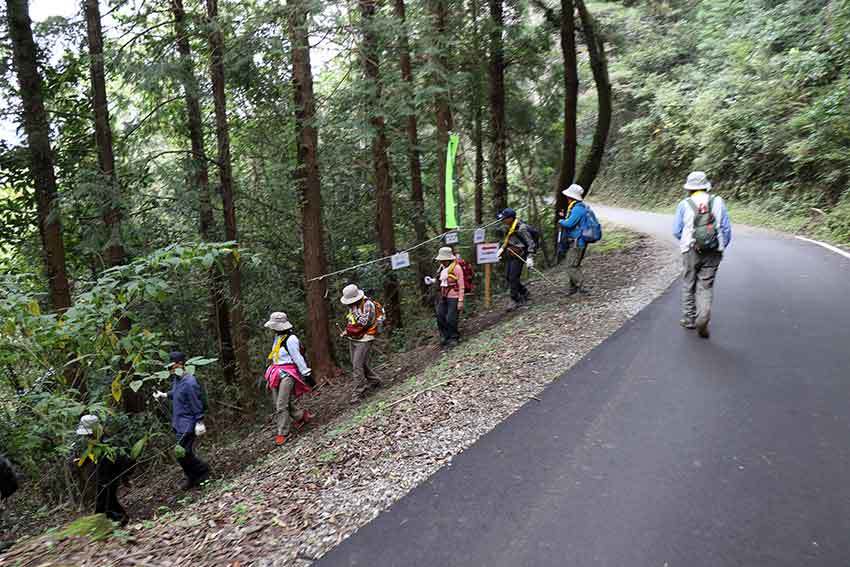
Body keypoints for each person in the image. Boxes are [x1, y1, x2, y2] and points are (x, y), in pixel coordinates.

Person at [673, 171, 732, 339]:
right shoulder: (718, 202)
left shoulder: (684, 204)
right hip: (713, 251)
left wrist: (687, 243)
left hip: (690, 250)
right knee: (705, 286)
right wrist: (720, 245)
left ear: (689, 189)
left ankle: (688, 319)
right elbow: (726, 229)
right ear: (706, 186)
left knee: (688, 283)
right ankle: (703, 317)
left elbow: (676, 231)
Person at [153, 352, 210, 489]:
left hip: (188, 423)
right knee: (183, 453)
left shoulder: (190, 381)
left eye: (173, 365)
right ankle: (193, 477)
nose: (171, 368)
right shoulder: (177, 379)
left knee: (182, 453)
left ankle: (202, 472)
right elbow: (178, 393)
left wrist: (199, 421)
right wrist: (165, 395)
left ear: (180, 364)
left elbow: (195, 402)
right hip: (179, 422)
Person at [263, 312, 314, 446]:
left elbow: (297, 357)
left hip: (288, 374)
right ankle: (301, 416)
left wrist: (306, 374)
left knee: (281, 404)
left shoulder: (291, 339)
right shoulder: (277, 337)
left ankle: (283, 432)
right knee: (280, 402)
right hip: (276, 372)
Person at [74, 415, 133, 525]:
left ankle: (113, 521)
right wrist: (83, 460)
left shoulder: (108, 440)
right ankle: (122, 519)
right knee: (109, 500)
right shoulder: (96, 439)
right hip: (103, 474)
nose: (87, 437)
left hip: (111, 474)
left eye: (89, 434)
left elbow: (120, 458)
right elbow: (94, 453)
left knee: (104, 501)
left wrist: (125, 477)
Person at [339, 284, 382, 402]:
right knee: (358, 363)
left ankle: (359, 391)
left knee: (357, 366)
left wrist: (354, 310)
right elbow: (352, 322)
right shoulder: (353, 306)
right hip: (354, 337)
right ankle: (375, 380)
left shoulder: (368, 304)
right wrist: (346, 331)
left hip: (366, 337)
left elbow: (364, 323)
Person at [425, 246, 466, 348]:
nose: (441, 262)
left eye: (442, 260)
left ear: (448, 259)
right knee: (440, 315)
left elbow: (461, 285)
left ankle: (454, 337)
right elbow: (439, 280)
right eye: (440, 260)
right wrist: (431, 281)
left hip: (454, 296)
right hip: (444, 296)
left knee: (451, 318)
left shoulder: (456, 268)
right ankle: (445, 336)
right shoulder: (442, 268)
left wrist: (460, 300)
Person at [497, 208, 537, 310]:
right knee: (508, 276)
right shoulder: (509, 226)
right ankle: (524, 292)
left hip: (520, 254)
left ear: (510, 218)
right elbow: (509, 240)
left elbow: (531, 243)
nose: (503, 221)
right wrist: (501, 249)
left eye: (504, 219)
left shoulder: (521, 228)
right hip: (511, 253)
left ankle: (515, 299)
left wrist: (530, 257)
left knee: (513, 277)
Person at [558, 184, 590, 295]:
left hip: (577, 242)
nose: (566, 198)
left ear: (571, 197)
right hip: (576, 241)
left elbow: (569, 223)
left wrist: (560, 221)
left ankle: (582, 286)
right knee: (573, 264)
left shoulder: (577, 208)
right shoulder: (577, 207)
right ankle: (573, 288)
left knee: (570, 266)